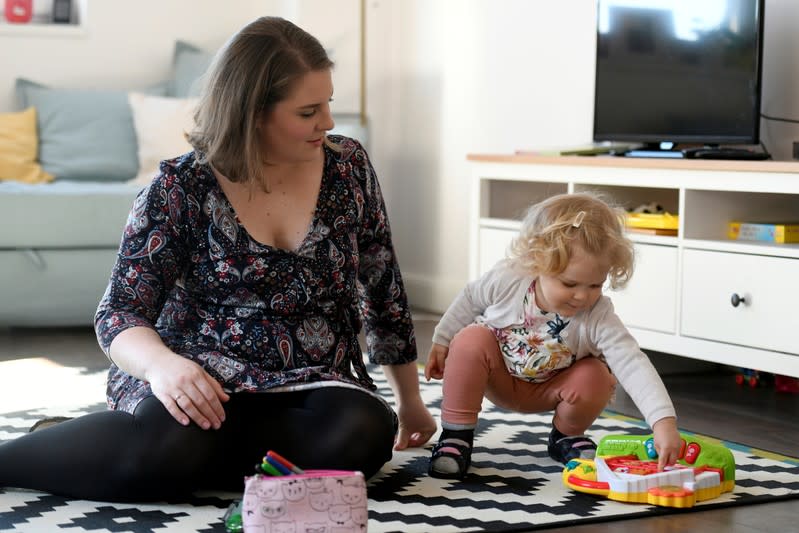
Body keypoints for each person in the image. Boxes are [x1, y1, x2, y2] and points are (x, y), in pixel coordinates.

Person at [0, 16, 435, 502]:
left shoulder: (348, 166)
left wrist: (410, 400)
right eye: (309, 110)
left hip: (312, 379)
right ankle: (27, 456)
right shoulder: (178, 189)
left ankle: (142, 448)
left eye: (328, 102)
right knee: (173, 449)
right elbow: (119, 313)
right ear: (251, 113)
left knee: (361, 436)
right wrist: (164, 368)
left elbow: (381, 285)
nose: (328, 122)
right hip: (198, 371)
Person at [424, 192, 681, 480]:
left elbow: (632, 363)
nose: (583, 296)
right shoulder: (509, 280)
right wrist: (442, 340)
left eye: (596, 285)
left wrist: (663, 422)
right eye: (569, 283)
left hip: (553, 390)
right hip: (498, 377)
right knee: (470, 339)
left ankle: (565, 436)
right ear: (537, 264)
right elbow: (470, 298)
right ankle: (456, 436)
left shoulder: (598, 315)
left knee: (597, 374)